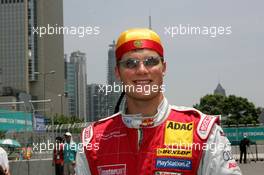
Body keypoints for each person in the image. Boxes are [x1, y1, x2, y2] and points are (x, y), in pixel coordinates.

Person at [77, 28, 242, 175]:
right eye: (130, 63)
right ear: (117, 73)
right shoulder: (93, 141)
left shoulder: (204, 133)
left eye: (150, 62)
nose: (141, 70)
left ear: (163, 68)